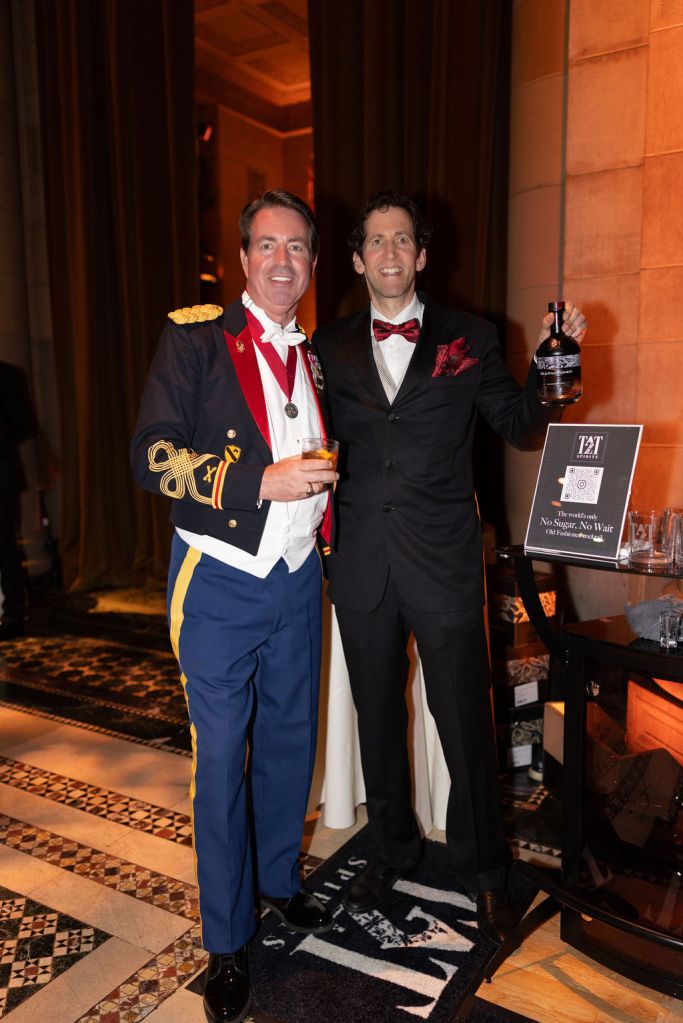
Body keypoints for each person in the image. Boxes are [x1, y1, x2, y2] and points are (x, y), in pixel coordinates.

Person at [312, 191, 586, 944]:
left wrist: (553, 368)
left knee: (464, 719)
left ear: (422, 255)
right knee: (377, 719)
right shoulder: (326, 345)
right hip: (361, 561)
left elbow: (520, 426)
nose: (390, 252)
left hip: (442, 561)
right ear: (357, 259)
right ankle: (390, 848)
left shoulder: (470, 336)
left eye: (403, 239)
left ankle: (484, 869)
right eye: (376, 240)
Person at [131, 190, 338, 1023]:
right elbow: (151, 457)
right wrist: (257, 482)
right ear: (244, 258)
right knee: (221, 760)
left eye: (297, 247)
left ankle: (278, 881)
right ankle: (224, 938)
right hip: (217, 578)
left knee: (289, 740)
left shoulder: (314, 356)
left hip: (296, 577)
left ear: (312, 263)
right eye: (267, 245)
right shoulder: (195, 339)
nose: (282, 260)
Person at [0, 361, 37, 641]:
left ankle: (13, 616)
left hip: (1, 475)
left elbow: (26, 426)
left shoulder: (9, 375)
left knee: (4, 546)